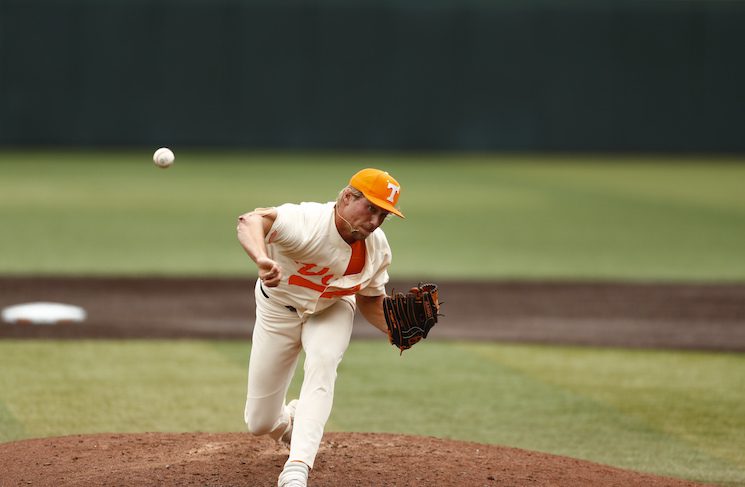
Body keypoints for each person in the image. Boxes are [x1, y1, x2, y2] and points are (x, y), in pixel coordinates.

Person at [236, 168, 404, 487]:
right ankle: (290, 422)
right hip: (277, 310)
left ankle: (297, 467)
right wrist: (260, 257)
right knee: (259, 422)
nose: (375, 221)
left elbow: (370, 300)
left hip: (331, 309)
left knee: (323, 361)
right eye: (370, 208)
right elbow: (249, 221)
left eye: (383, 214)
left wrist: (396, 329)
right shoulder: (307, 221)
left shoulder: (377, 248)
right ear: (346, 197)